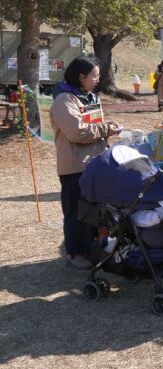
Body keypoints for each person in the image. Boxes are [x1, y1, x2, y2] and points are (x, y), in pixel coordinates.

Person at [51, 57, 122, 269]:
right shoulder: (64, 100)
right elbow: (77, 132)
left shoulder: (89, 97)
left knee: (95, 211)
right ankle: (75, 253)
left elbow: (94, 126)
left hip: (94, 163)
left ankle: (92, 248)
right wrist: (106, 128)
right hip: (75, 166)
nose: (98, 79)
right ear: (81, 76)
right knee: (76, 211)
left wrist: (106, 129)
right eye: (94, 75)